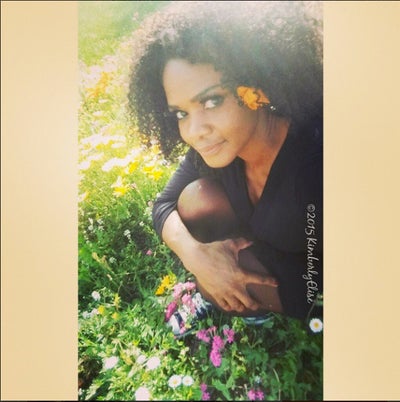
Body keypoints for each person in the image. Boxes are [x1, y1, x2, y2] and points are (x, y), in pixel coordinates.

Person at [128, 1, 323, 333]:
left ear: (257, 88)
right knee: (195, 198)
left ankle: (242, 300)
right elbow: (163, 205)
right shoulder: (219, 146)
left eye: (212, 101)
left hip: (315, 283)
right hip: (261, 249)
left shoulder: (316, 160)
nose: (194, 131)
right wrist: (198, 258)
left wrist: (222, 284)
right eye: (181, 113)